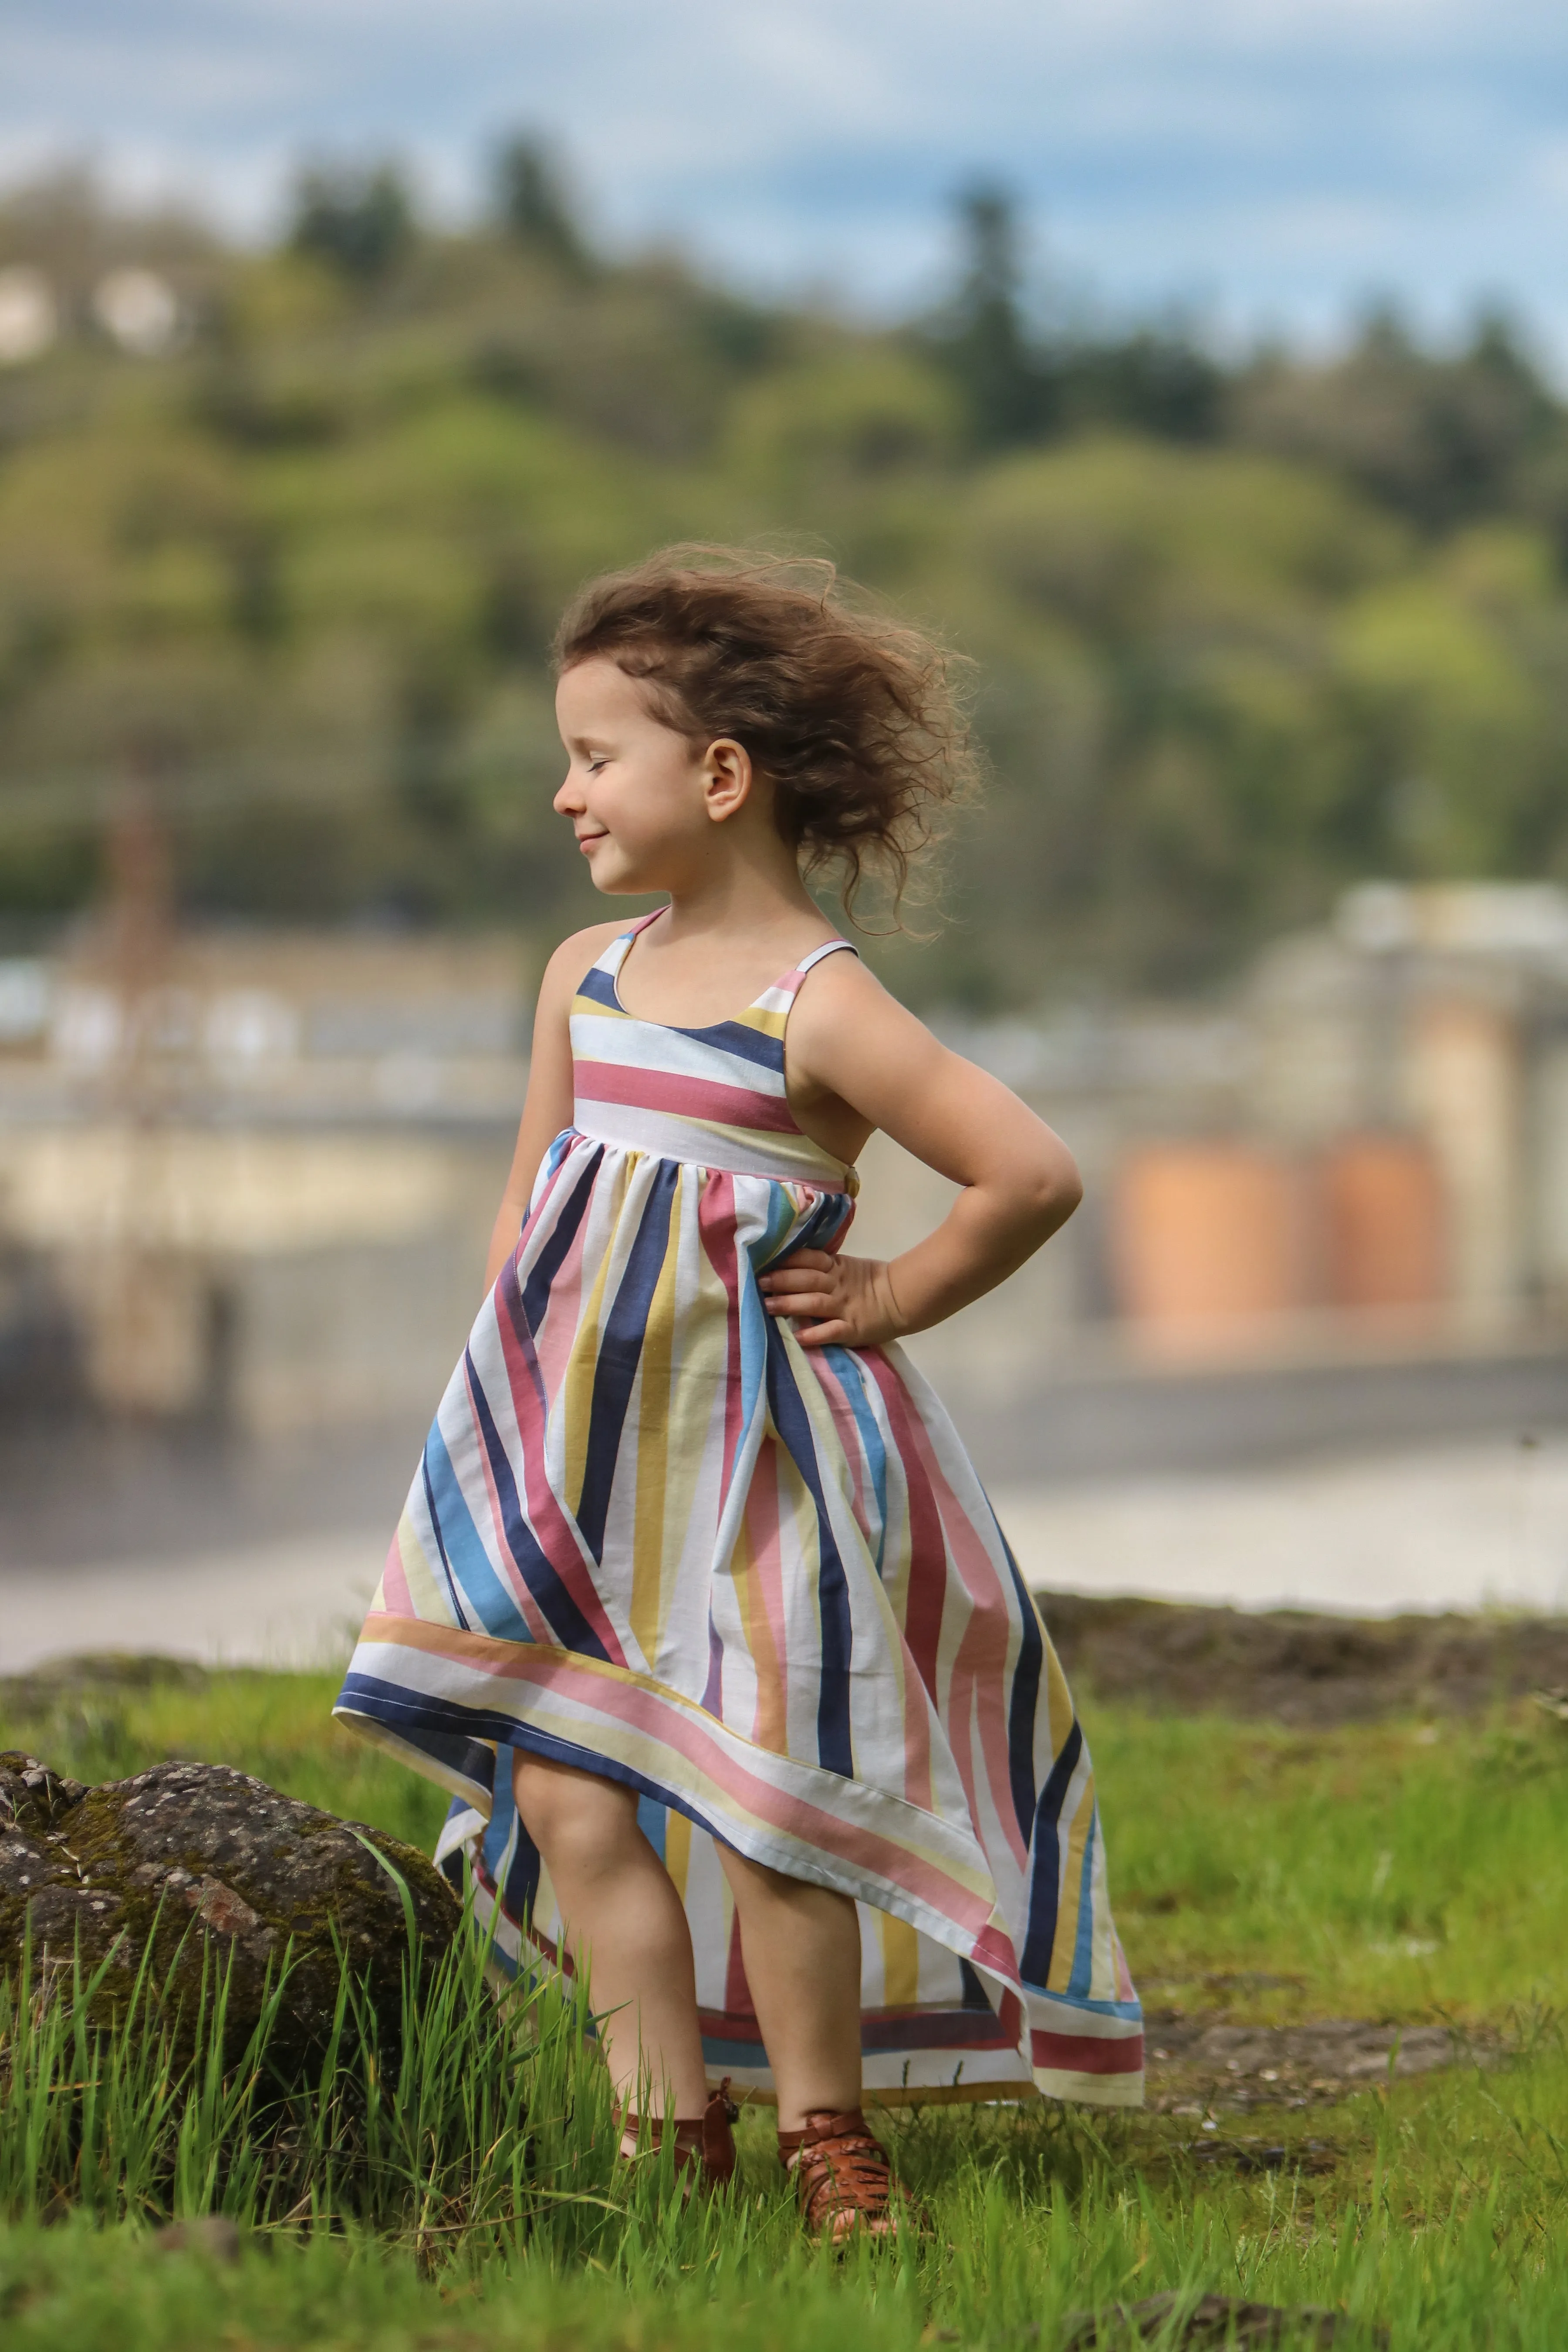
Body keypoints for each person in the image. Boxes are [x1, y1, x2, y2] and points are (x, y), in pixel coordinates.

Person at [334, 548, 1142, 2242]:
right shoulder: (585, 975)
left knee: (775, 1797)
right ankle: (664, 2137)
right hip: (575, 1466)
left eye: (594, 757)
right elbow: (534, 1198)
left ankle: (826, 2133)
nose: (565, 793)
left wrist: (895, 1290)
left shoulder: (818, 1006)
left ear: (719, 777)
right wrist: (492, 1411)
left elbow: (1031, 1173)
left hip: (761, 1464)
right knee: (568, 1786)